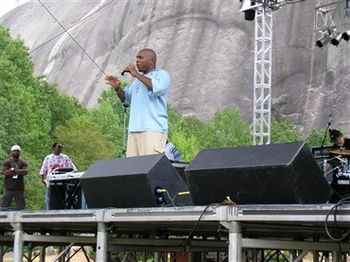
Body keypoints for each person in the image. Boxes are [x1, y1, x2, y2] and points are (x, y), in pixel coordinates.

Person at [105, 48, 171, 157]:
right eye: (136, 58)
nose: (137, 61)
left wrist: (136, 74)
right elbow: (126, 99)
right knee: (134, 170)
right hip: (133, 131)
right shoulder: (137, 82)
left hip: (152, 130)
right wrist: (117, 88)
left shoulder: (162, 75)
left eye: (140, 58)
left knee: (149, 167)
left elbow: (156, 87)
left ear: (151, 60)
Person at [39, 143, 77, 209]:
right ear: (54, 148)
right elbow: (43, 169)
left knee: (62, 198)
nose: (60, 149)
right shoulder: (48, 158)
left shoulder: (65, 157)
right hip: (51, 182)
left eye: (61, 147)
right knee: (49, 198)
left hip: (63, 182)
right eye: (59, 147)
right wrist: (42, 179)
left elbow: (73, 169)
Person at [2, 145, 29, 210]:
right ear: (11, 152)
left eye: (17, 151)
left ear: (20, 152)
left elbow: (25, 172)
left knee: (21, 207)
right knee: (4, 206)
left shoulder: (23, 162)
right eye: (14, 151)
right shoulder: (7, 162)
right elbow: (4, 172)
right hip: (8, 187)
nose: (16, 152)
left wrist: (13, 170)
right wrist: (19, 171)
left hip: (19, 188)